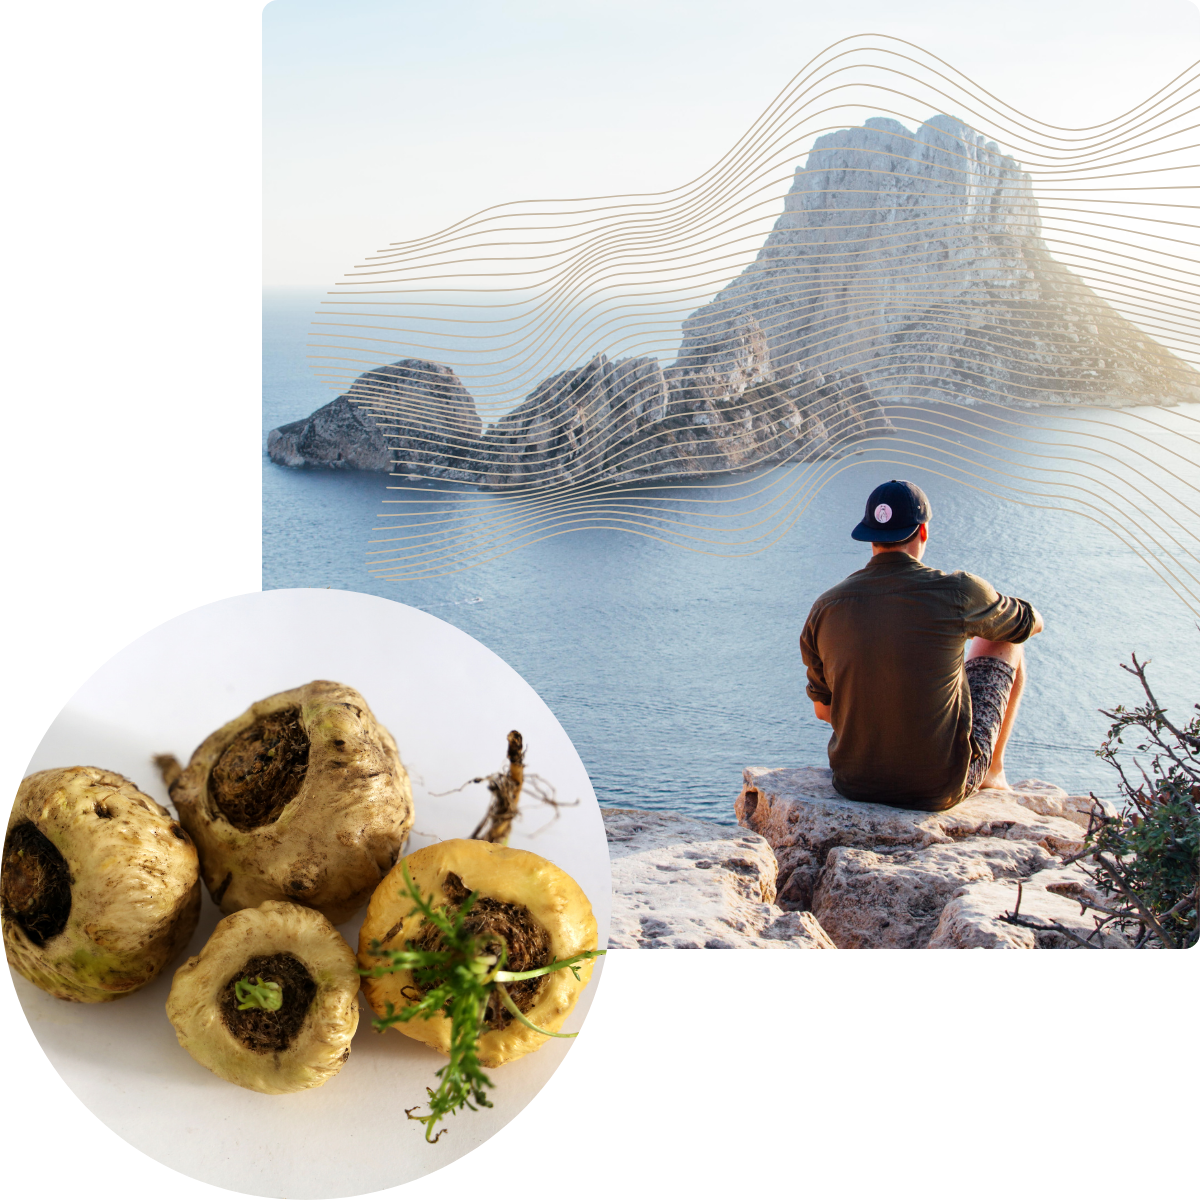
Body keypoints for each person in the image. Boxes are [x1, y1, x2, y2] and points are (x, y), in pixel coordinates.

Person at [799, 479, 1044, 812]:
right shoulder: (958, 591)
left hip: (854, 783)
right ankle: (993, 772)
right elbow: (1029, 624)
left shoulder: (825, 607)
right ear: (923, 532)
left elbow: (823, 710)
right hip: (937, 788)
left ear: (870, 537)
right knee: (1007, 640)